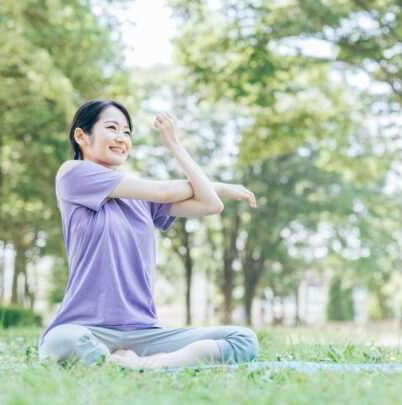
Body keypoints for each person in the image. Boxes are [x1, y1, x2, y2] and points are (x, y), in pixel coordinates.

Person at [38, 99, 260, 369]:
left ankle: (141, 363)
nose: (121, 138)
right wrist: (219, 185)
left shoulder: (140, 197)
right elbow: (165, 191)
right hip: (86, 327)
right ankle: (129, 361)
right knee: (61, 342)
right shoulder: (72, 174)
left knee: (242, 339)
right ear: (81, 136)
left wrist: (175, 147)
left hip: (145, 331)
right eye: (112, 128)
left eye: (127, 132)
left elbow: (210, 204)